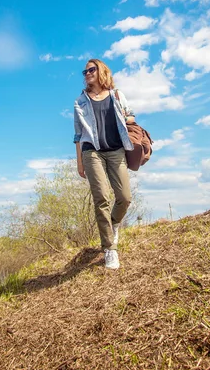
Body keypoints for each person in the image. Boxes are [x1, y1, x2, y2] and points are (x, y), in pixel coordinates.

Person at [73, 59, 135, 269]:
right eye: (85, 71)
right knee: (101, 199)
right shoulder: (80, 101)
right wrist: (80, 162)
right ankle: (109, 249)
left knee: (124, 197)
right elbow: (78, 135)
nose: (88, 73)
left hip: (116, 150)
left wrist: (129, 120)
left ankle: (114, 223)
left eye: (92, 69)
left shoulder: (117, 95)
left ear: (102, 71)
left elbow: (130, 114)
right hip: (92, 152)